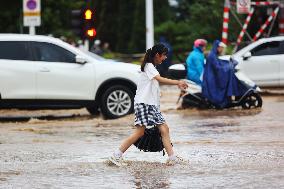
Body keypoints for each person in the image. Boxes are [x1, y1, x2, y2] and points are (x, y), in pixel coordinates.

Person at [109, 43, 188, 166]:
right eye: (164, 55)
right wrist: (177, 82)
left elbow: (154, 85)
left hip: (151, 106)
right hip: (144, 105)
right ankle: (116, 155)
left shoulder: (151, 67)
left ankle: (172, 158)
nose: (165, 58)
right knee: (139, 132)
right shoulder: (148, 66)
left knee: (164, 129)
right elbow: (160, 79)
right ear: (157, 55)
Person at [202, 40, 248, 108]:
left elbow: (219, 64)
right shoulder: (212, 56)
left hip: (212, 76)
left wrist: (228, 64)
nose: (222, 49)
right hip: (212, 79)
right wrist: (228, 67)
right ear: (217, 47)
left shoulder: (213, 55)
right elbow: (218, 68)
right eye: (221, 48)